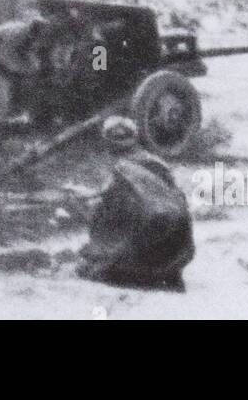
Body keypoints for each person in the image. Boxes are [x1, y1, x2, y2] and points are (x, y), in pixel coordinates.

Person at [77, 116, 195, 291]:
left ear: (107, 143)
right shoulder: (158, 163)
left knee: (86, 270)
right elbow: (179, 201)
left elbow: (106, 218)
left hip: (142, 254)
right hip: (180, 250)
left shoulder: (120, 171)